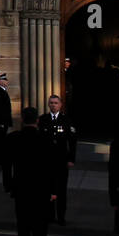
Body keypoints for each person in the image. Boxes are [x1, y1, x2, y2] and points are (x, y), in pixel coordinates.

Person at [9, 106, 54, 236]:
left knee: (23, 228)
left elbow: (7, 165)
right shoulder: (46, 138)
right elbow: (52, 167)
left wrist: (9, 186)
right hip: (41, 190)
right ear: (37, 120)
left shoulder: (14, 138)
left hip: (21, 189)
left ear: (22, 119)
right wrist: (53, 190)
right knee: (40, 229)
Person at [39, 94, 77, 226]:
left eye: (56, 103)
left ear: (60, 105)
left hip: (61, 160)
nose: (53, 105)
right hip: (47, 161)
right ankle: (49, 215)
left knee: (61, 189)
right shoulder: (43, 120)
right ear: (48, 105)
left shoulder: (66, 120)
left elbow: (72, 141)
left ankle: (61, 216)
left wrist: (71, 159)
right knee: (47, 189)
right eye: (51, 103)